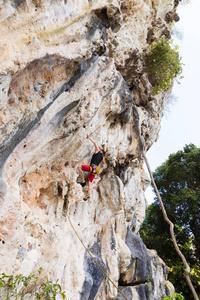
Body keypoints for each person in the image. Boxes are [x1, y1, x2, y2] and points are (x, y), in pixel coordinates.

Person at [78, 136, 105, 201]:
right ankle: (88, 195)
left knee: (79, 167)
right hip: (96, 170)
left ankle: (83, 180)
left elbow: (95, 143)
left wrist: (89, 137)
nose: (97, 148)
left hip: (92, 167)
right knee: (89, 182)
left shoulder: (97, 151)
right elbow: (103, 162)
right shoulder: (101, 156)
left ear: (99, 149)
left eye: (98, 148)